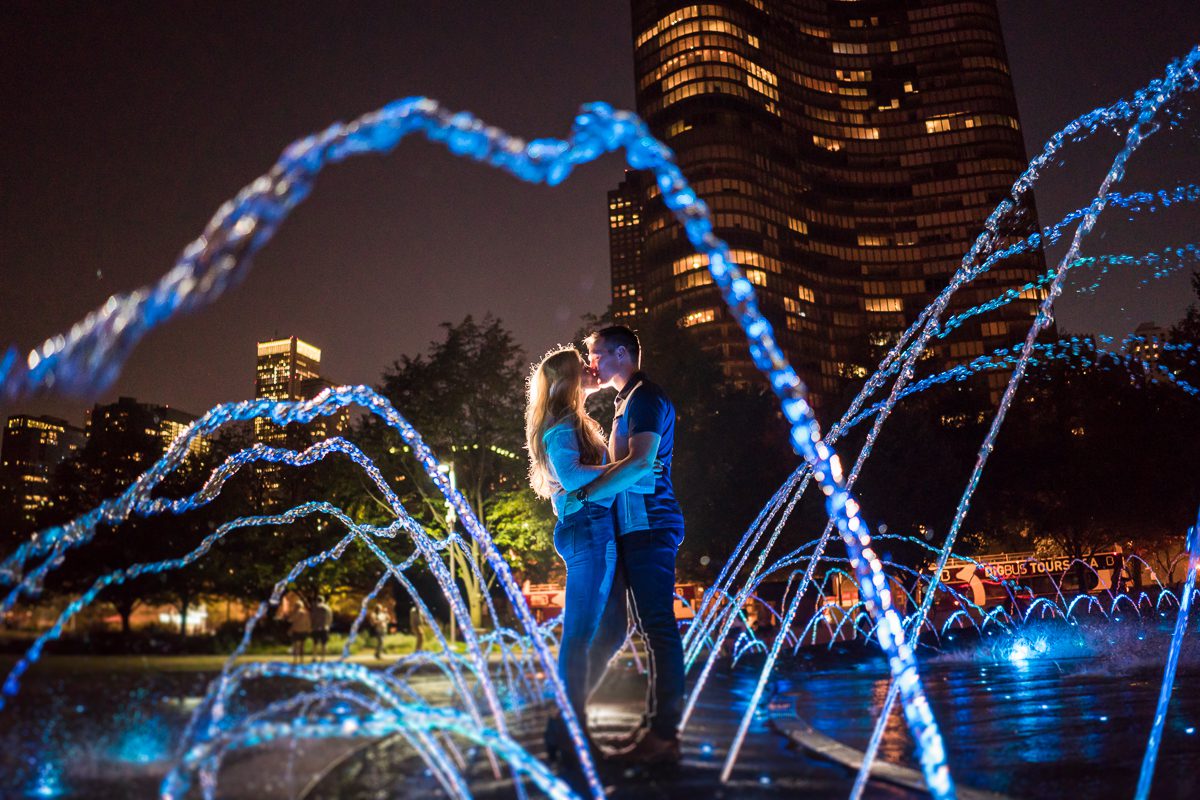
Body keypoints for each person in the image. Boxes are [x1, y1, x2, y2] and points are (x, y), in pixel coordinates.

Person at [525, 346, 644, 762]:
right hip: (586, 527)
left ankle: (565, 720)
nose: (592, 369)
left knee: (613, 628)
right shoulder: (560, 427)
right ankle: (571, 729)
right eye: (583, 367)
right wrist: (631, 466)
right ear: (568, 381)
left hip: (597, 527)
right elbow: (573, 477)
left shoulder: (575, 420)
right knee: (578, 635)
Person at [582, 325, 686, 766]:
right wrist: (580, 391)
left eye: (597, 355)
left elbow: (642, 462)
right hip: (630, 530)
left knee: (658, 627)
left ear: (622, 354)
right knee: (610, 628)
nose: (592, 364)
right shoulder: (625, 400)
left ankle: (664, 734)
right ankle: (572, 716)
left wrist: (587, 494)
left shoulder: (645, 397)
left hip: (649, 526)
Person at [286, 597, 311, 664]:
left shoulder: (295, 613)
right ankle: (301, 660)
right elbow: (308, 623)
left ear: (296, 606)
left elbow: (290, 620)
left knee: (295, 646)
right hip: (303, 631)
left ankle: (295, 660)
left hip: (296, 631)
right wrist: (308, 629)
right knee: (302, 647)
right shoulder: (306, 613)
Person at [310, 595, 333, 660]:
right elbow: (330, 618)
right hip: (325, 628)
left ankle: (314, 657)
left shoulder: (315, 608)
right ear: (323, 601)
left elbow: (312, 618)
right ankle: (323, 658)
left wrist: (311, 626)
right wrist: (328, 625)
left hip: (316, 628)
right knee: (324, 644)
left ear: (317, 600)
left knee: (315, 643)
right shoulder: (328, 608)